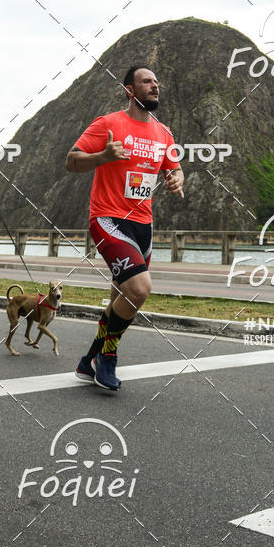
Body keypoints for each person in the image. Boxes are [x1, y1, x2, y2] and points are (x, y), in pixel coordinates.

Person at [66, 65, 184, 390]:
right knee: (140, 289)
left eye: (156, 81)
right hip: (108, 218)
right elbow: (71, 161)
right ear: (129, 90)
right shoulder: (108, 123)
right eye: (146, 81)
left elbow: (174, 167)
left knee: (121, 297)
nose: (154, 85)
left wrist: (176, 178)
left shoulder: (164, 133)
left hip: (143, 225)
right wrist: (102, 156)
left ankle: (88, 360)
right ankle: (108, 356)